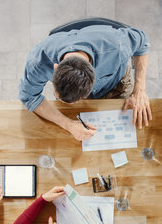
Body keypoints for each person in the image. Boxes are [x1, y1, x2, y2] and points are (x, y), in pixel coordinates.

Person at [19, 24, 152, 141]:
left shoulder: (116, 45)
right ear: (55, 68)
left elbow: (142, 41)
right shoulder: (38, 61)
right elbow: (29, 97)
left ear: (94, 76)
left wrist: (139, 90)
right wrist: (68, 124)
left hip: (117, 85)